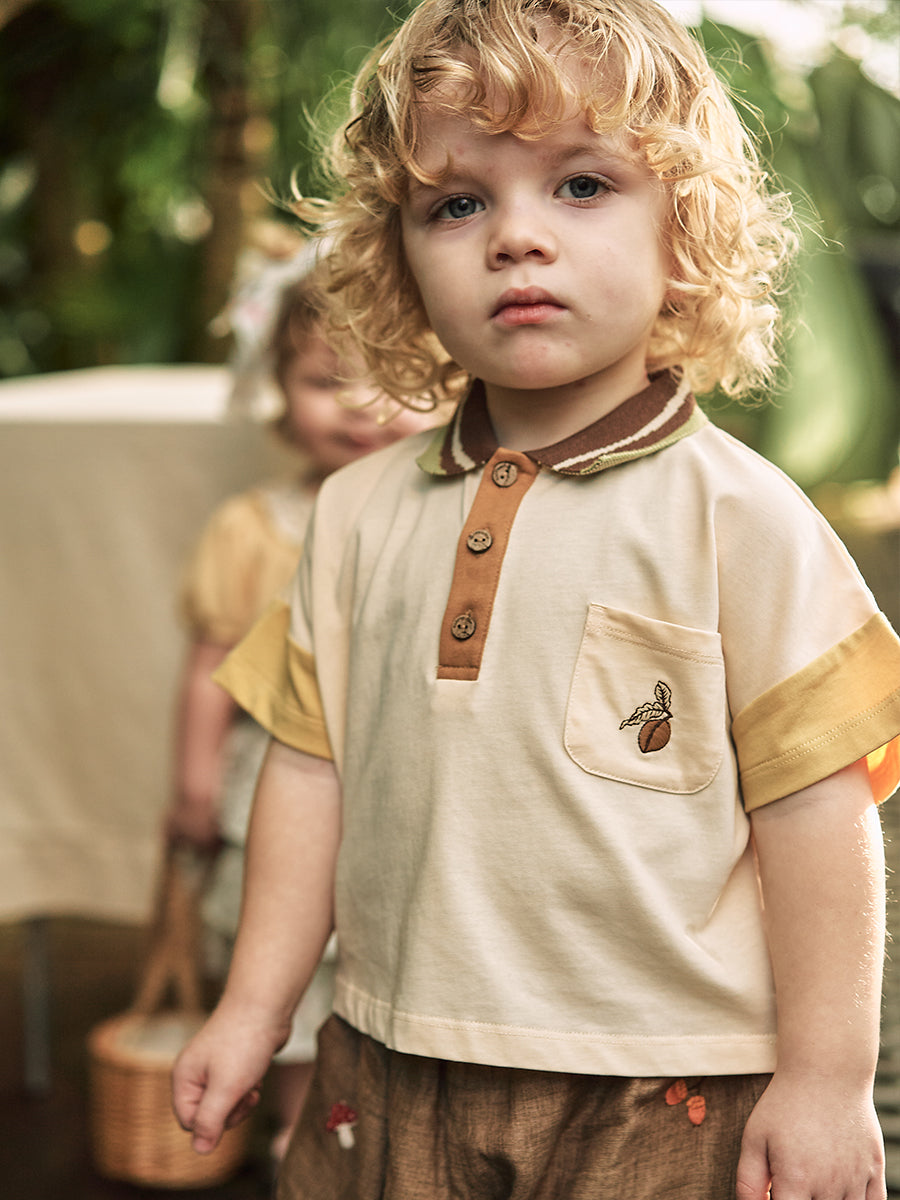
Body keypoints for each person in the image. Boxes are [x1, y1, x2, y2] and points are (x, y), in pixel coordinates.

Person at [172, 2, 900, 1197]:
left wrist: (827, 1077)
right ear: (398, 258)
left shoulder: (744, 519)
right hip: (387, 1057)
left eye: (582, 185)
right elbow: (308, 772)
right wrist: (257, 1008)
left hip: (662, 1084)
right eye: (457, 204)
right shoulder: (353, 513)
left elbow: (820, 812)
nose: (516, 236)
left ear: (683, 229)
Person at [165, 252, 437, 1164]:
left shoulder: (449, 517)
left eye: (387, 376)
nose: (359, 406)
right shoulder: (254, 527)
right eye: (325, 381)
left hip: (405, 787)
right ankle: (296, 1131)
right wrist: (194, 787)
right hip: (274, 785)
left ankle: (391, 1131)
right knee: (290, 962)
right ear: (278, 391)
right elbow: (209, 666)